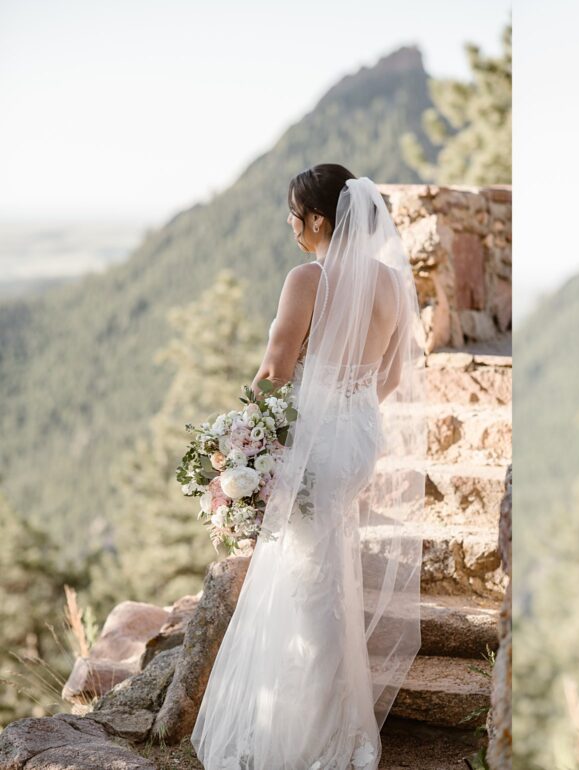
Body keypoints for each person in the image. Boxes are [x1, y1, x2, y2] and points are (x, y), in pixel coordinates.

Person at [191, 164, 426, 770]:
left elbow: (274, 370)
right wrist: (349, 407)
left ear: (318, 220)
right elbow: (393, 376)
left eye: (294, 216)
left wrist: (239, 438)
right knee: (326, 564)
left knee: (304, 574)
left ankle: (303, 734)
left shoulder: (308, 278)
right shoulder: (391, 283)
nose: (291, 227)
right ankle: (336, 723)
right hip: (358, 437)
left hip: (318, 440)